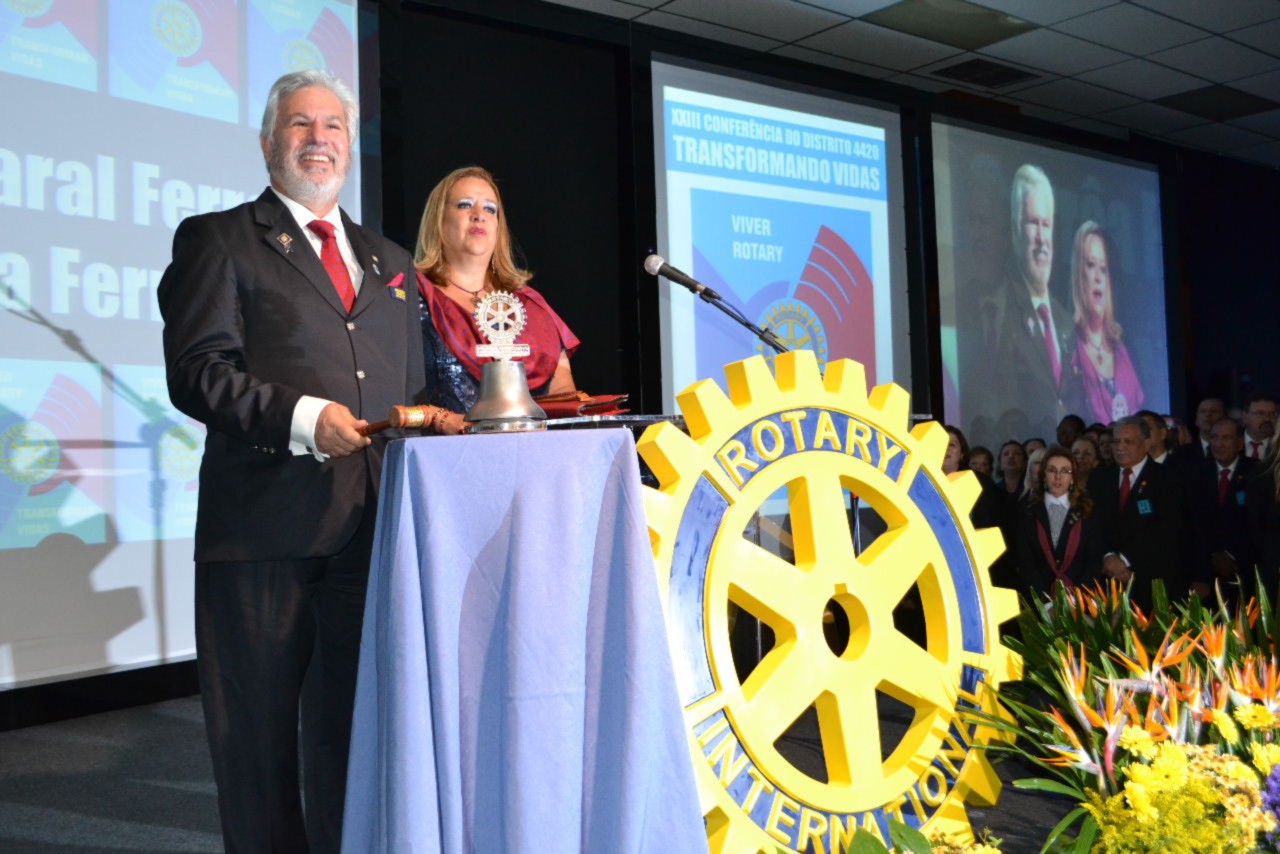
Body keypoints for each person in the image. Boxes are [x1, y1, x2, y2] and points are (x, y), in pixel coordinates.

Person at [158, 70, 426, 853]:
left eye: (333, 125)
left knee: (354, 735)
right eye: (301, 124)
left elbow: (409, 390)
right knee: (259, 746)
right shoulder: (219, 239)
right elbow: (199, 372)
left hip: (369, 531)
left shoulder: (390, 261)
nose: (319, 138)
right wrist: (306, 419)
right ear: (269, 142)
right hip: (262, 533)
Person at [414, 165, 578, 430]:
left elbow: (563, 395)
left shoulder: (531, 306)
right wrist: (442, 419)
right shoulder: (412, 297)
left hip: (530, 449)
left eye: (490, 209)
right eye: (465, 205)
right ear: (439, 219)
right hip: (444, 449)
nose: (479, 215)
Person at [969, 164, 1079, 444]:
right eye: (1032, 223)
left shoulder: (1065, 321)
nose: (1041, 239)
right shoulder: (1000, 311)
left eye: (1046, 224)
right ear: (1014, 231)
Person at [1088, 416, 1189, 609]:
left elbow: (1168, 531)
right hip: (1107, 583)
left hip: (1151, 582)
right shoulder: (1100, 478)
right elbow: (1092, 526)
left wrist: (1124, 561)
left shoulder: (1168, 478)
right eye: (1116, 441)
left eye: (1128, 441)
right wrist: (1107, 556)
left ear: (1147, 443)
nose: (1120, 447)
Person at [1068, 221, 1144, 426]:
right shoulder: (1068, 347)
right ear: (1078, 273)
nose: (1098, 277)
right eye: (1091, 265)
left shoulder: (1124, 350)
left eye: (1104, 269)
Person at [1015, 447, 1102, 597]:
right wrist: (1046, 603)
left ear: (1073, 477)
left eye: (1065, 471)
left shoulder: (1088, 511)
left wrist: (1077, 600)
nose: (1058, 477)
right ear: (1043, 475)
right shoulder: (1027, 511)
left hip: (1081, 600)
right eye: (1052, 470)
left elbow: (1094, 562)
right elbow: (1025, 562)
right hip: (1038, 600)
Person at [1189, 418, 1255, 605]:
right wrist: (1206, 564)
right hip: (1206, 575)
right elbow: (1191, 526)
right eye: (1214, 437)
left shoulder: (1256, 473)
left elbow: (1260, 525)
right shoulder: (1195, 473)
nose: (1218, 443)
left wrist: (1233, 555)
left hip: (1245, 572)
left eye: (1226, 438)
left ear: (1240, 443)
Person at [1243, 393, 1278, 461]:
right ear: (1245, 416)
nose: (1267, 419)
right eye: (1260, 413)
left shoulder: (1277, 446)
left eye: (1272, 414)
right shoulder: (1231, 442)